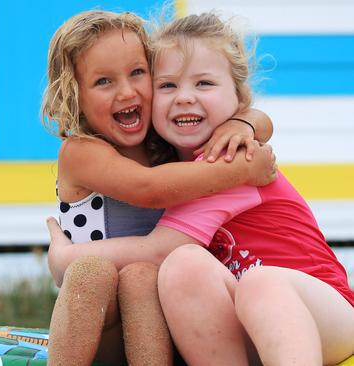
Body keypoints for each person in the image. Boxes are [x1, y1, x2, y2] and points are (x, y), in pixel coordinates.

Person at [47, 12, 354, 366]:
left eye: (204, 84)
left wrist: (65, 257)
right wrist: (247, 121)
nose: (184, 99)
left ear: (239, 98)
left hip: (324, 313)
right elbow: (152, 192)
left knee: (257, 284)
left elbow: (157, 242)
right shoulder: (155, 158)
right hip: (240, 321)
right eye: (167, 86)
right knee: (184, 266)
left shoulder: (230, 161)